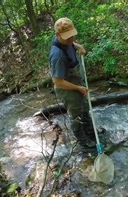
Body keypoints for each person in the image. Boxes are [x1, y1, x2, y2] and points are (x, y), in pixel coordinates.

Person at [49, 17, 96, 154]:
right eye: (67, 37)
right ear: (58, 35)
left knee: (85, 107)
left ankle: (90, 132)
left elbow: (70, 43)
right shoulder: (57, 55)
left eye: (72, 35)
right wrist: (78, 88)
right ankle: (83, 141)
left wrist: (78, 45)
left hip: (75, 82)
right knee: (76, 116)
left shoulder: (67, 41)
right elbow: (57, 82)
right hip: (66, 87)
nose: (71, 39)